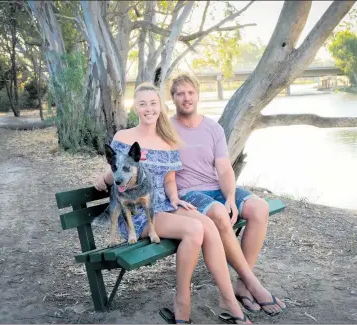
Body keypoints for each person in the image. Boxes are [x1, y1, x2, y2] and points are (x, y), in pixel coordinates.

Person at [94, 82, 250, 324]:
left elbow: (169, 179)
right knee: (194, 229)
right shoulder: (123, 138)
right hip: (138, 212)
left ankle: (228, 299)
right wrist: (104, 178)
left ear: (160, 106)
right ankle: (182, 301)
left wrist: (176, 199)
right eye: (143, 104)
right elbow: (112, 172)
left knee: (208, 225)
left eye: (153, 103)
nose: (149, 109)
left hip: (165, 206)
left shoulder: (168, 140)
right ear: (135, 107)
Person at [169, 73, 287, 315]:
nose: (186, 98)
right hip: (188, 193)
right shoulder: (166, 129)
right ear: (173, 98)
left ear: (198, 95)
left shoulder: (213, 128)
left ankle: (242, 286)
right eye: (180, 93)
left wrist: (231, 197)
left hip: (215, 188)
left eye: (190, 92)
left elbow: (223, 168)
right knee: (220, 213)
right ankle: (253, 282)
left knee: (259, 207)